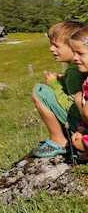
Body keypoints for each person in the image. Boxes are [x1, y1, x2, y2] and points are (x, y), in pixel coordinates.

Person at [30, 21, 85, 158]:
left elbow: (71, 105)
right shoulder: (78, 69)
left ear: (72, 46)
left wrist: (55, 85)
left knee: (39, 91)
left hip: (80, 122)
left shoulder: (74, 72)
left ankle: (59, 141)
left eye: (56, 45)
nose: (51, 49)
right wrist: (62, 80)